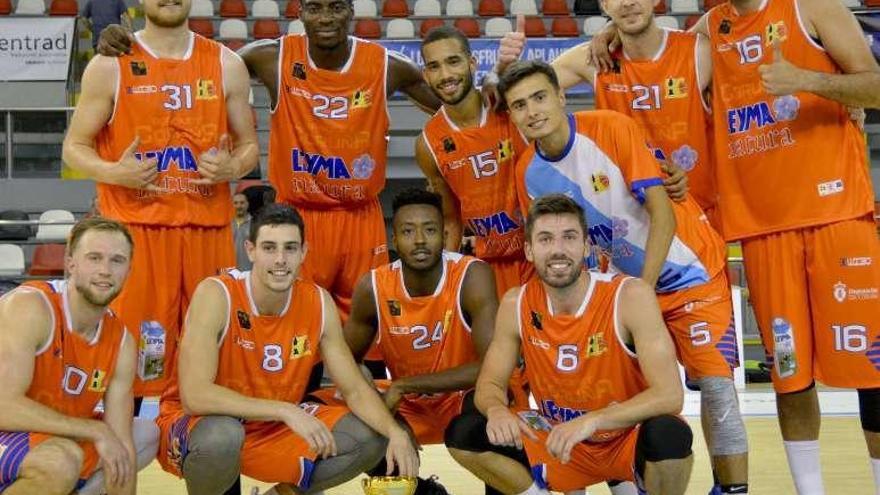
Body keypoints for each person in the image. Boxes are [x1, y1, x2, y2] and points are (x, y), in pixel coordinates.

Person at [496, 5, 747, 493]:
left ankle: (733, 489)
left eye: (541, 97)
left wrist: (643, 289)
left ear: (560, 97)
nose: (534, 111)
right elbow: (566, 245)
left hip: (689, 269)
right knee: (616, 390)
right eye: (521, 105)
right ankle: (623, 478)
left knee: (716, 391)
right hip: (628, 287)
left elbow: (664, 212)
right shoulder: (529, 173)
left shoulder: (612, 127)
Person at [688, 1, 879, 493]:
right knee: (789, 377)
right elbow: (651, 55)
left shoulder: (811, 6)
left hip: (838, 215)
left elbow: (875, 86)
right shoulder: (711, 28)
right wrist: (603, 41)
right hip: (763, 228)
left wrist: (808, 80)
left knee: (872, 371)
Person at [62, 0, 260, 399]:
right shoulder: (109, 65)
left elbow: (250, 146)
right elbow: (74, 147)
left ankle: (203, 447)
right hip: (138, 234)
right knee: (137, 363)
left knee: (213, 356)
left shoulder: (226, 64)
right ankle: (133, 442)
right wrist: (114, 172)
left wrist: (232, 169)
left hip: (208, 232)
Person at [155, 204, 419, 495]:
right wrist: (286, 410)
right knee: (223, 436)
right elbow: (195, 396)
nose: (280, 260)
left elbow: (354, 389)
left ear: (304, 252)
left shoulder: (318, 302)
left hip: (269, 427)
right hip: (198, 425)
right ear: (250, 250)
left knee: (371, 436)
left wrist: (395, 432)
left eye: (290, 248)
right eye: (269, 248)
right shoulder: (217, 294)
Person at [445, 194, 693, 495]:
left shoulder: (630, 296)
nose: (558, 250)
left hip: (623, 437)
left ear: (586, 246)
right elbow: (490, 384)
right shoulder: (516, 302)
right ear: (529, 250)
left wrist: (593, 420)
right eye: (546, 239)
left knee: (670, 434)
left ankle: (632, 482)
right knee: (464, 433)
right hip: (557, 439)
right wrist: (497, 410)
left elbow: (669, 396)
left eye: (569, 237)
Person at [332, 188, 499, 493]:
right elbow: (344, 364)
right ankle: (424, 492)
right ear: (393, 240)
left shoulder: (472, 275)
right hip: (407, 406)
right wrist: (386, 419)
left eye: (430, 230)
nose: (420, 240)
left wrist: (405, 385)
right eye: (408, 231)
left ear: (445, 234)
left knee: (495, 420)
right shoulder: (373, 287)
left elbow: (492, 367)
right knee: (357, 425)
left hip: (463, 399)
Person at [0, 217, 159, 495]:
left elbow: (121, 442)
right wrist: (95, 430)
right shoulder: (30, 307)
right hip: (9, 431)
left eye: (117, 261)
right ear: (70, 263)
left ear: (129, 270)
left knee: (144, 435)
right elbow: (4, 407)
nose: (105, 270)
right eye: (94, 258)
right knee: (61, 460)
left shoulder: (121, 341)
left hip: (49, 438)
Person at [416, 26, 533, 298]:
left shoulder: (509, 107)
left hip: (538, 258)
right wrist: (444, 281)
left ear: (472, 63)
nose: (445, 75)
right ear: (426, 75)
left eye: (453, 61)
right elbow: (450, 221)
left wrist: (499, 72)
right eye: (434, 67)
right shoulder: (428, 144)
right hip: (486, 268)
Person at [232, 192, 253, 271]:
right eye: (235, 203)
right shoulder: (225, 224)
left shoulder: (255, 224)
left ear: (247, 204)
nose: (239, 206)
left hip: (248, 270)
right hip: (228, 270)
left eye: (242, 203)